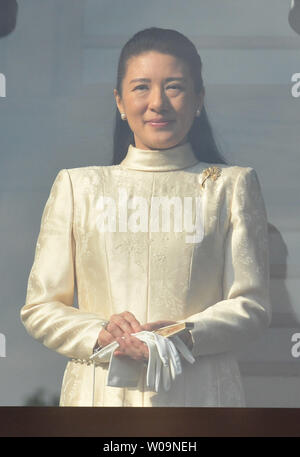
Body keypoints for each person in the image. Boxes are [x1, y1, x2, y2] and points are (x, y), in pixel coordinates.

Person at [20, 27, 271, 407]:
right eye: (141, 87)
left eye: (174, 87)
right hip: (99, 397)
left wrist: (183, 335)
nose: (158, 102)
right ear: (119, 102)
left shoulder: (230, 186)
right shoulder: (78, 187)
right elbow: (41, 307)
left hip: (201, 399)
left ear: (198, 99)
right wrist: (101, 332)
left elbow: (251, 305)